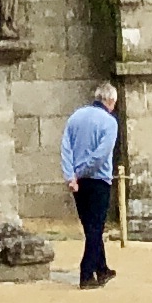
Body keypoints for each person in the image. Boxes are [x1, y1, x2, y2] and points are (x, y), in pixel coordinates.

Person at [62, 81, 121, 286]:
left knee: (91, 228)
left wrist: (71, 176)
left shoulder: (75, 117)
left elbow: (66, 149)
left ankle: (102, 268)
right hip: (98, 180)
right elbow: (101, 155)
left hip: (78, 183)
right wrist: (79, 173)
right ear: (110, 100)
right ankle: (86, 274)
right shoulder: (109, 122)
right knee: (96, 228)